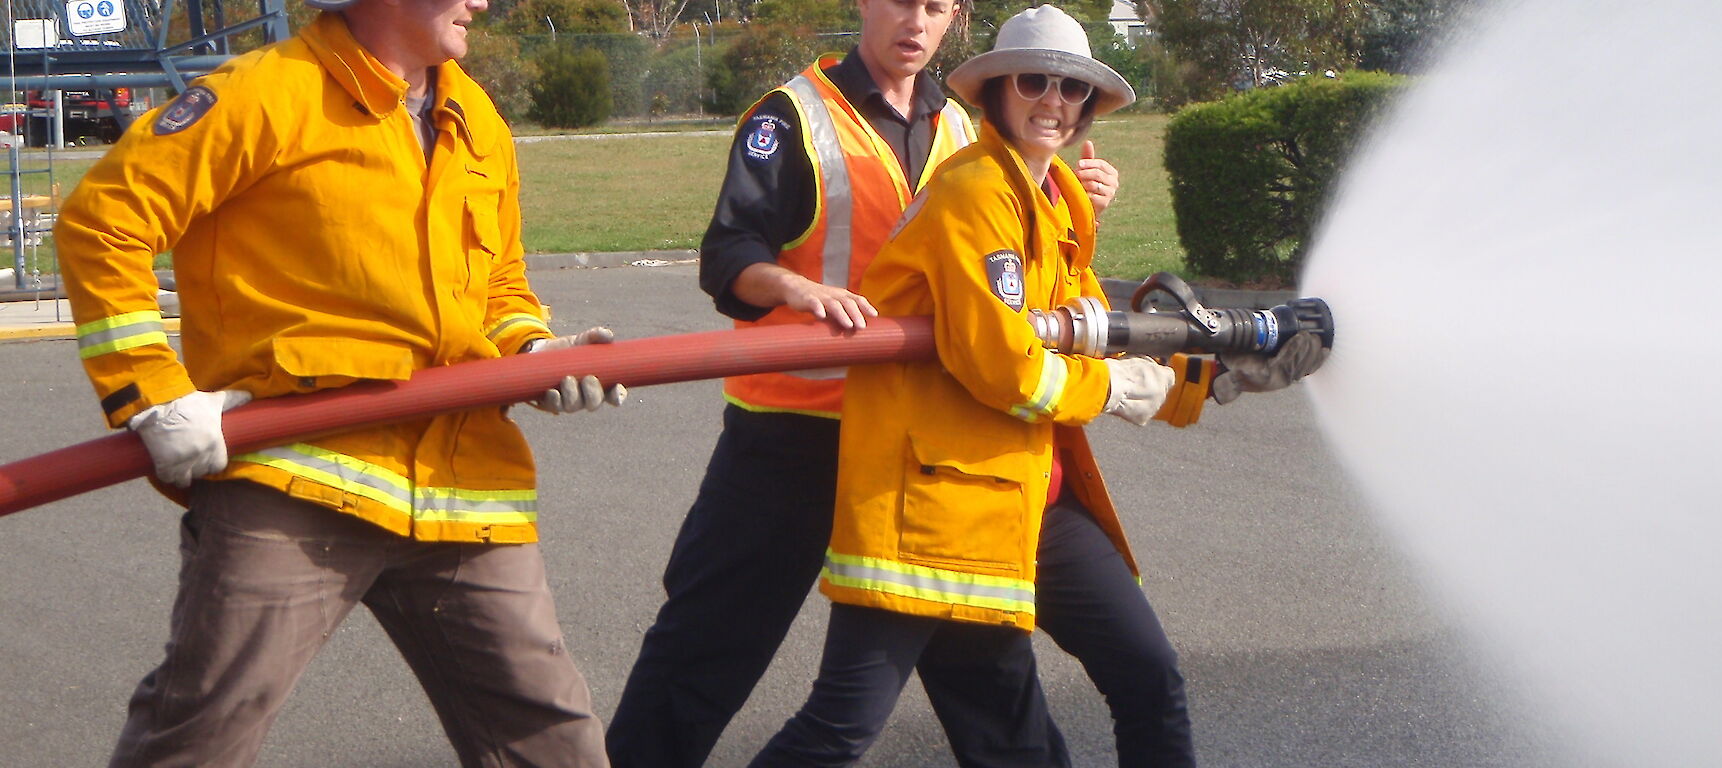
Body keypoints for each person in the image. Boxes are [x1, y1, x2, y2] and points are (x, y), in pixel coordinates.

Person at [746, 6, 1329, 766]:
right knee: (842, 729)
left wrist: (1222, 375)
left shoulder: (1052, 204)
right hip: (931, 508)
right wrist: (1124, 392)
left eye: (1072, 89)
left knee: (1143, 677)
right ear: (994, 93)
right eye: (1034, 81)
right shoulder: (975, 193)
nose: (1053, 101)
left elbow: (1104, 332)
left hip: (1024, 497)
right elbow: (1008, 368)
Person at [54, 0, 626, 764]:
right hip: (297, 483)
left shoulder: (475, 116)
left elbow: (499, 288)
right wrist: (150, 393)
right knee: (201, 736)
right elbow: (102, 221)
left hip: (460, 485)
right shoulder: (266, 94)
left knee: (551, 740)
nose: (481, 2)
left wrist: (534, 350)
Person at [602, 0, 1124, 763]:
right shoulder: (792, 117)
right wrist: (791, 288)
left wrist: (1078, 203)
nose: (917, 20)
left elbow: (1022, 274)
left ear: (957, 18)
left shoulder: (962, 127)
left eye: (937, 6)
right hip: (794, 441)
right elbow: (726, 255)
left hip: (922, 450)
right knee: (702, 657)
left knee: (988, 679)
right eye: (901, 0)